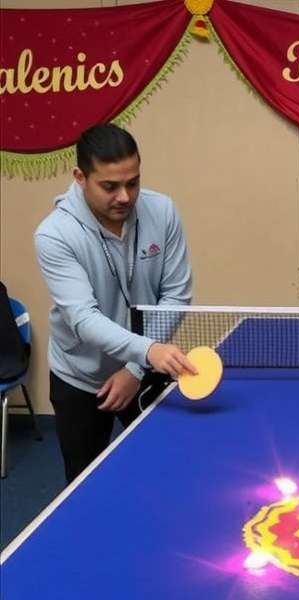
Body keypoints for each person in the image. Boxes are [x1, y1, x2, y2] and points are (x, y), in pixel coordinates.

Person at [34, 123, 196, 483]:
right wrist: (148, 351)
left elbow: (176, 294)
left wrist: (136, 368)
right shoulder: (54, 235)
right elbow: (83, 318)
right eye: (109, 186)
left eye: (133, 183)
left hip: (145, 365)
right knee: (85, 485)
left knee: (169, 473)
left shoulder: (163, 211)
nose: (124, 196)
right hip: (80, 377)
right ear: (80, 177)